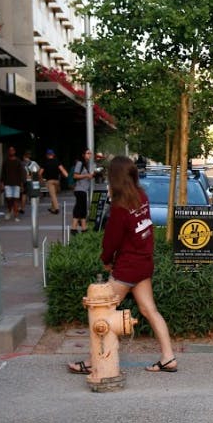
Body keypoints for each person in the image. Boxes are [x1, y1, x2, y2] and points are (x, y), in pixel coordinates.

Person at [67, 155, 178, 375]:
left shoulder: (120, 207)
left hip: (127, 268)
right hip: (143, 264)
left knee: (101, 313)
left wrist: (107, 260)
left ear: (114, 178)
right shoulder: (141, 196)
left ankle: (92, 361)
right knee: (150, 310)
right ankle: (168, 357)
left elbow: (111, 241)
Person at [70, 149, 94, 235]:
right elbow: (75, 175)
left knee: (83, 209)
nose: (89, 155)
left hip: (83, 189)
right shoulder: (80, 163)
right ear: (83, 154)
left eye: (90, 154)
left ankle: (84, 228)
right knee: (79, 208)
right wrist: (86, 175)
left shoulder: (86, 164)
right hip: (79, 189)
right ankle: (74, 228)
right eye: (88, 153)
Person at [0, 145, 25, 222]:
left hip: (16, 184)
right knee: (9, 199)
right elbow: (3, 173)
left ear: (14, 151)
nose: (11, 151)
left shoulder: (18, 161)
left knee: (16, 200)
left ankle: (16, 216)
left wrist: (22, 184)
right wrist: (1, 184)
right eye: (10, 150)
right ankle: (10, 211)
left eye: (12, 150)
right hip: (7, 183)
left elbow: (21, 173)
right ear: (8, 152)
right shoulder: (6, 161)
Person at [39, 148, 68, 214]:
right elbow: (62, 170)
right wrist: (68, 177)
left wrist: (41, 180)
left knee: (53, 195)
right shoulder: (57, 161)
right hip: (57, 181)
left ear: (47, 155)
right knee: (54, 195)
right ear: (53, 155)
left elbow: (40, 173)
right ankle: (52, 208)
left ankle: (57, 208)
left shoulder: (45, 162)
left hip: (49, 181)